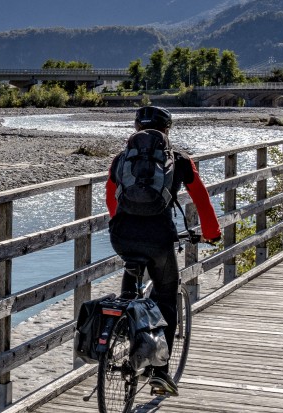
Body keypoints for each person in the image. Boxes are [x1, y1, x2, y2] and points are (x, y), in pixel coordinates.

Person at [104, 106, 222, 395]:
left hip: (122, 236)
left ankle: (123, 321)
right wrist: (212, 234)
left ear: (136, 128)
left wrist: (122, 225)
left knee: (130, 287)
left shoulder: (121, 159)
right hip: (158, 239)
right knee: (166, 298)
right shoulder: (179, 160)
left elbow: (111, 198)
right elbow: (201, 200)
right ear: (167, 129)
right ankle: (160, 372)